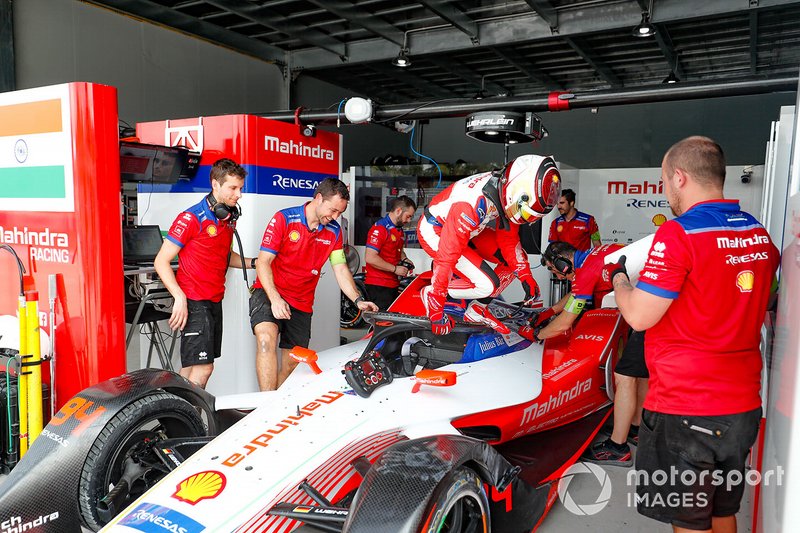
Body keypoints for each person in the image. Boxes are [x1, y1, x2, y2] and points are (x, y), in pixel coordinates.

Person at [605, 136, 779, 533]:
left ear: (679, 177)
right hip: (743, 406)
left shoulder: (678, 235)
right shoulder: (759, 235)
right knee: (722, 511)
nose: (666, 192)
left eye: (665, 182)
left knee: (689, 520)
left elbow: (638, 316)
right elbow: (766, 300)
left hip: (687, 409)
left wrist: (618, 278)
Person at [250, 178, 378, 391]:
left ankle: (277, 406)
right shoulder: (284, 219)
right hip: (269, 291)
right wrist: (275, 299)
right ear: (318, 198)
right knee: (266, 340)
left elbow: (340, 268)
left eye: (340, 213)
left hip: (301, 300)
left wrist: (358, 300)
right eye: (333, 210)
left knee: (292, 362)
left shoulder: (334, 231)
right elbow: (263, 262)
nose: (335, 216)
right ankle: (265, 403)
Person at [417, 154, 561, 335]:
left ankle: (477, 310)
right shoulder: (470, 204)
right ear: (515, 192)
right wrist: (437, 307)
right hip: (436, 230)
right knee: (486, 285)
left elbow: (509, 241)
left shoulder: (506, 190)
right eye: (527, 216)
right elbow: (447, 256)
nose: (526, 221)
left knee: (516, 261)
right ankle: (431, 293)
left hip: (470, 230)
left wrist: (525, 276)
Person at [154, 158, 256, 389]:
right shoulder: (191, 218)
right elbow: (161, 261)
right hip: (194, 300)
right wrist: (180, 298)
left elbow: (226, 256)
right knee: (203, 368)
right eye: (233, 188)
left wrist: (256, 263)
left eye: (240, 188)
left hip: (213, 300)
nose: (238, 194)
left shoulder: (227, 220)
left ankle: (176, 418)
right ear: (215, 185)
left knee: (190, 367)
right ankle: (191, 420)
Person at [522, 240, 623, 342]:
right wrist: (550, 312)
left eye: (556, 272)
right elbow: (575, 292)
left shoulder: (584, 272)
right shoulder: (589, 256)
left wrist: (536, 335)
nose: (559, 277)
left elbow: (564, 324)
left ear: (562, 265)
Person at [583, 329, 649, 467]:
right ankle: (636, 427)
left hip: (648, 322)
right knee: (642, 372)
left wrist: (538, 333)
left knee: (624, 376)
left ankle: (617, 447)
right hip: (658, 325)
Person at [364, 195, 417, 311]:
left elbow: (400, 250)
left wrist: (404, 260)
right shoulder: (380, 229)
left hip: (393, 284)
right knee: (382, 325)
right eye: (408, 216)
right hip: (378, 285)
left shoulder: (399, 229)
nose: (408, 221)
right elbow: (370, 257)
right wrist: (395, 269)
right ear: (398, 211)